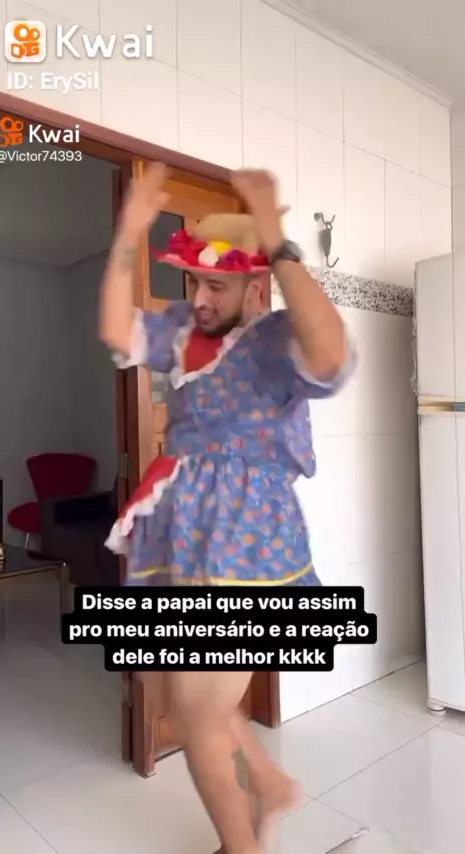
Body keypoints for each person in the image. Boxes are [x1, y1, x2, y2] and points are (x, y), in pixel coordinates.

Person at [99, 162, 355, 854]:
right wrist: (128, 232)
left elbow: (332, 353)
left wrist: (275, 237)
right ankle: (267, 785)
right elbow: (118, 330)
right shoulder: (184, 330)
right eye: (194, 282)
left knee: (195, 717)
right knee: (168, 685)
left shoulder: (276, 341)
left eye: (216, 284)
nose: (201, 297)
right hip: (181, 528)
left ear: (256, 285)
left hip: (245, 543)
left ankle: (245, 843)